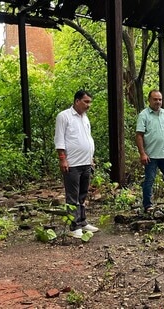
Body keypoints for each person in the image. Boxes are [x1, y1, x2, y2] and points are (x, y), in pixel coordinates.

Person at [54, 90, 100, 238]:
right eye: (86, 102)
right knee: (72, 195)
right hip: (72, 163)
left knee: (83, 194)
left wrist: (91, 157)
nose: (89, 105)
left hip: (86, 162)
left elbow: (87, 138)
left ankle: (82, 221)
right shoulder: (64, 116)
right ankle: (74, 226)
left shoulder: (85, 118)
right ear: (77, 101)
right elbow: (59, 139)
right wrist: (62, 159)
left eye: (89, 102)